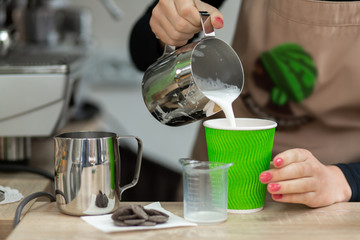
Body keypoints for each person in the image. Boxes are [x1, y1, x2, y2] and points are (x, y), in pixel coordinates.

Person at [129, 0, 360, 208]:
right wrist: (169, 27)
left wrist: (344, 179)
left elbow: (344, 182)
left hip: (331, 198)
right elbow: (140, 46)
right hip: (214, 191)